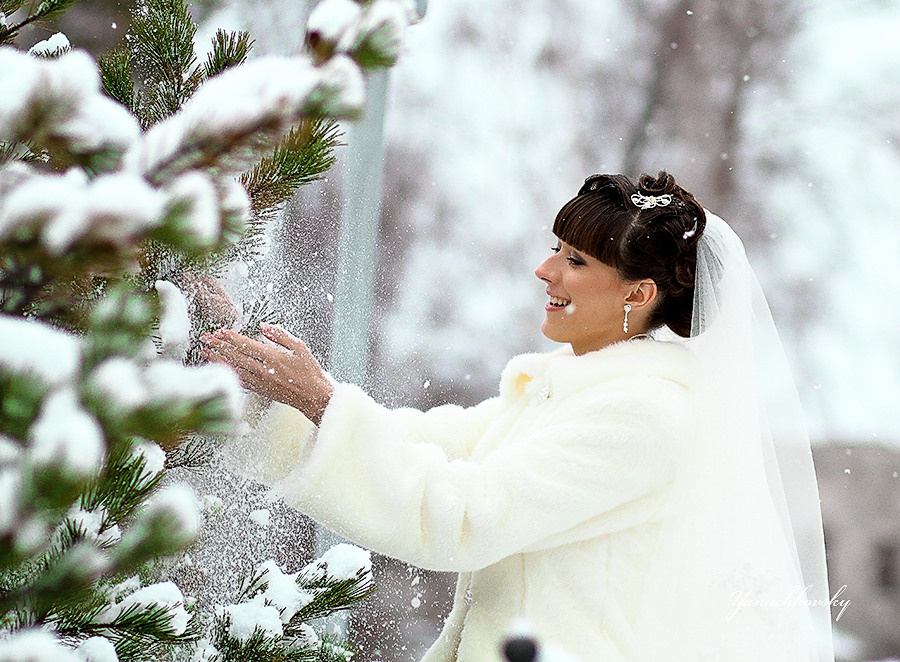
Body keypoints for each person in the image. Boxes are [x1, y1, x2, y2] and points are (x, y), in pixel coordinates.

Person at [199, 171, 835, 662]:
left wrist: (319, 401)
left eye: (575, 261)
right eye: (554, 249)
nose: (545, 270)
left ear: (638, 295)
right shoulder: (564, 392)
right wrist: (249, 371)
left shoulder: (646, 416)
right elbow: (424, 445)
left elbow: (462, 513)